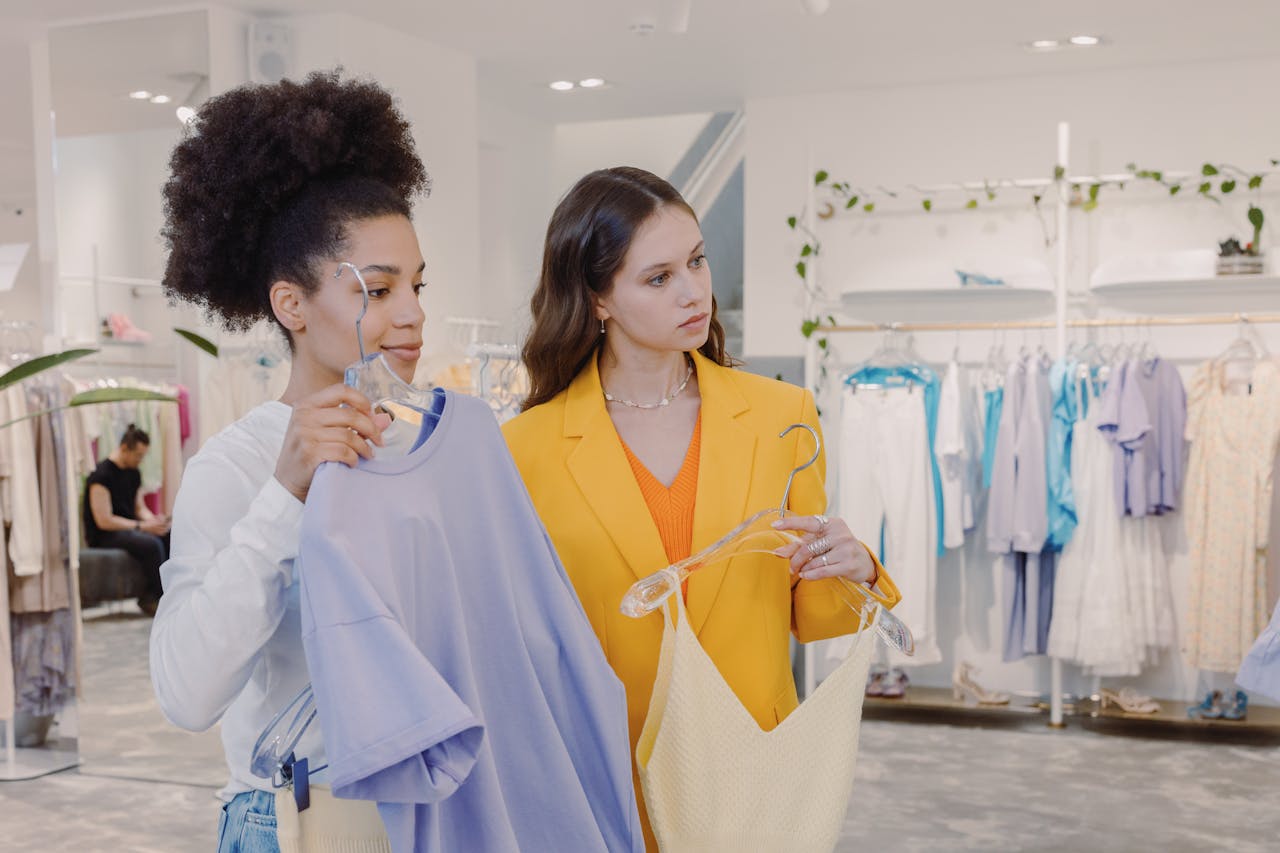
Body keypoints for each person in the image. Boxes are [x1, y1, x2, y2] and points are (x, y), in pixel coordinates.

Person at [502, 166, 902, 849]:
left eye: (696, 260)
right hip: (606, 773)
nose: (694, 291)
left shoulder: (782, 416)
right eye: (658, 278)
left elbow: (810, 613)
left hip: (752, 769)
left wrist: (857, 566)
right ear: (598, 298)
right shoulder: (524, 449)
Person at [149, 72, 426, 851]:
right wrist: (284, 494)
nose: (411, 312)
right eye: (377, 289)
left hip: (428, 813)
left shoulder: (423, 448)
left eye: (415, 283)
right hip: (296, 820)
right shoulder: (234, 471)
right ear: (291, 306)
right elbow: (187, 691)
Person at [83, 424, 170, 616]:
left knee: (167, 534)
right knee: (152, 545)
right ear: (124, 448)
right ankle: (159, 597)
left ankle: (152, 595)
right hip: (105, 534)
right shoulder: (101, 475)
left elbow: (139, 508)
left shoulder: (133, 472)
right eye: (138, 455)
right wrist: (142, 526)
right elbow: (103, 520)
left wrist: (154, 522)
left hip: (128, 528)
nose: (141, 460)